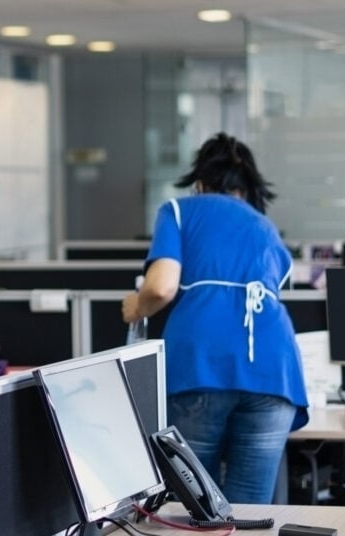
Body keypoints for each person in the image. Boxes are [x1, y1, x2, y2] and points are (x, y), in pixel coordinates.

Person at [121, 132, 308, 504]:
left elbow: (161, 287)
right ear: (248, 188)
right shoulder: (265, 228)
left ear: (200, 182)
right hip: (275, 372)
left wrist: (136, 307)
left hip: (202, 364)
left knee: (195, 506)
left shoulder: (179, 211)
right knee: (249, 509)